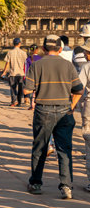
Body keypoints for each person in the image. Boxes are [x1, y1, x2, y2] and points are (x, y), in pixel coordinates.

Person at [23, 35, 83, 199]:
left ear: (43, 48)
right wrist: (71, 105)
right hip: (65, 110)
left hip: (43, 110)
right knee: (64, 150)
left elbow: (26, 90)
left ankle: (36, 183)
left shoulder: (37, 65)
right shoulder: (68, 65)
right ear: (60, 49)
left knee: (40, 148)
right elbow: (79, 90)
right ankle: (66, 186)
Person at [76, 39, 90, 192]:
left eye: (87, 52)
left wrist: (72, 105)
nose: (85, 54)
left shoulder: (86, 67)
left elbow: (79, 89)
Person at [1, 38, 28, 107]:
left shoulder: (10, 52)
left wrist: (4, 72)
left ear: (13, 44)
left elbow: (7, 63)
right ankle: (19, 101)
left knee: (13, 88)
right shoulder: (23, 53)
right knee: (20, 88)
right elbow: (25, 64)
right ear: (20, 44)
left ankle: (14, 101)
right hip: (21, 73)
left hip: (13, 73)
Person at [25, 44, 43, 110]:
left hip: (31, 77)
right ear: (37, 50)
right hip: (39, 77)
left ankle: (32, 105)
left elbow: (26, 69)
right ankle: (37, 104)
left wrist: (26, 78)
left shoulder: (28, 59)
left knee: (31, 91)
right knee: (38, 91)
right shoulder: (41, 58)